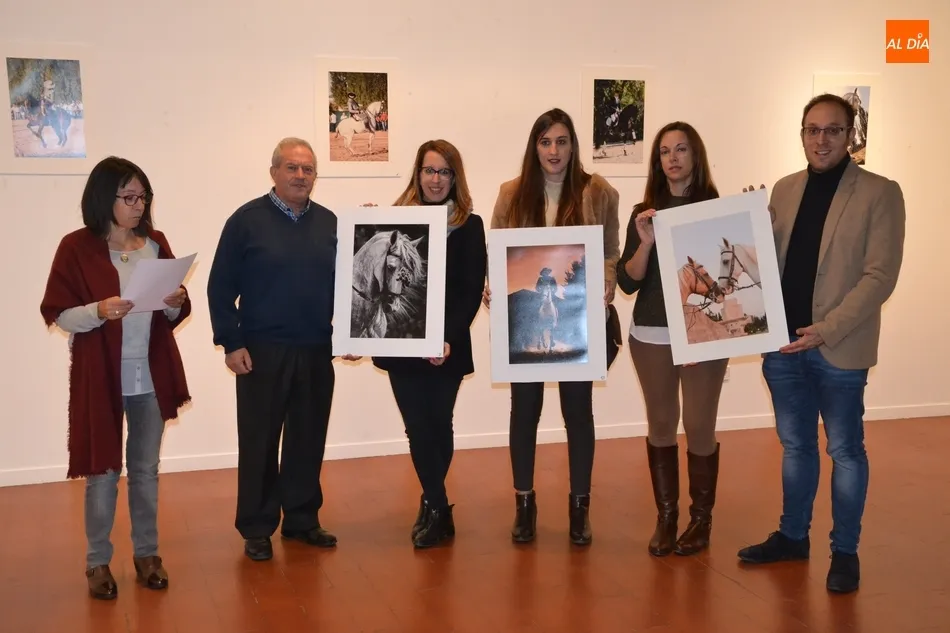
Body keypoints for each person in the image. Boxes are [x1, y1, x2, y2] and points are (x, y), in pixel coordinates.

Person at [737, 94, 906, 594]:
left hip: (839, 348)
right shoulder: (785, 189)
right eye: (813, 130)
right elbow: (764, 265)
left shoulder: (880, 192)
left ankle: (845, 552)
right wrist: (751, 226)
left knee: (846, 450)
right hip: (784, 346)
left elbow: (880, 276)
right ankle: (793, 536)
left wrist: (827, 328)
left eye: (833, 130)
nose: (822, 139)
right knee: (795, 447)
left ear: (850, 135)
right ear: (802, 135)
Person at [39, 156, 192, 600]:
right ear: (105, 198)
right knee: (103, 472)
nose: (138, 206)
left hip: (151, 376)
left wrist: (175, 302)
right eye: (129, 197)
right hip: (102, 377)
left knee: (146, 471)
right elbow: (59, 314)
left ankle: (147, 555)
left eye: (143, 197)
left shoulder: (155, 243)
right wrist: (98, 310)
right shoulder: (76, 247)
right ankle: (98, 562)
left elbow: (173, 312)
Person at [484, 107, 620, 546]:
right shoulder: (510, 194)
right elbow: (496, 252)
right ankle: (524, 504)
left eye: (562, 141)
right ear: (535, 147)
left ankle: (580, 508)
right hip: (525, 322)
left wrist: (607, 280)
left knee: (578, 414)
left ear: (573, 145)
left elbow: (610, 252)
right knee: (524, 413)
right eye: (545, 142)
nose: (554, 151)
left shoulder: (599, 191)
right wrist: (493, 284)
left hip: (580, 320)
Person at [207, 137, 339, 561]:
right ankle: (257, 527)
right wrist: (231, 342)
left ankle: (302, 519)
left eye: (308, 169)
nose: (300, 175)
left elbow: (350, 288)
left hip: (316, 348)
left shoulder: (330, 223)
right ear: (274, 172)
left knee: (308, 439)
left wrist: (353, 336)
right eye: (291, 167)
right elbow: (219, 287)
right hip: (262, 352)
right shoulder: (246, 221)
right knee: (259, 442)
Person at [351, 139, 487, 548]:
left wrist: (446, 338)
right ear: (418, 173)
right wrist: (367, 222)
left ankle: (432, 502)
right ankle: (439, 506)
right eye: (429, 170)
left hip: (447, 345)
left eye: (444, 171)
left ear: (455, 177)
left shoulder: (470, 225)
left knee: (439, 424)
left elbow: (469, 290)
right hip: (402, 344)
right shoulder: (397, 220)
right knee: (416, 427)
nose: (436, 179)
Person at [615, 121, 729, 557]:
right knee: (661, 423)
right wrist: (645, 243)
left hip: (704, 333)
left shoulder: (716, 210)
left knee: (699, 424)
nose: (673, 158)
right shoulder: (644, 213)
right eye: (665, 151)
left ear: (695, 156)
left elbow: (724, 280)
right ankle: (667, 517)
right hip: (651, 333)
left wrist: (760, 225)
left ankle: (701, 520)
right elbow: (628, 282)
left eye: (681, 149)